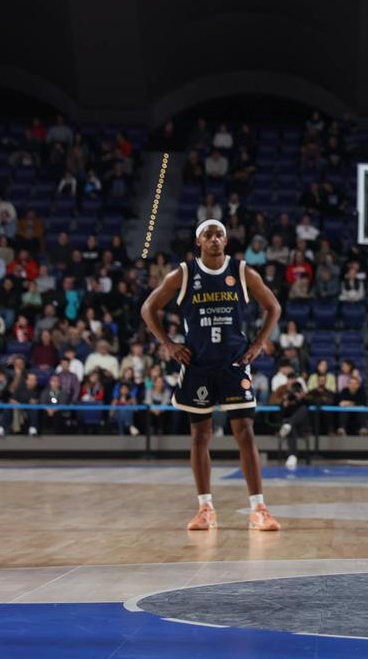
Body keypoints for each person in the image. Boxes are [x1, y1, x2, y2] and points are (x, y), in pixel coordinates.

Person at [141, 219, 282, 531]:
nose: (215, 239)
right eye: (209, 234)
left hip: (234, 363)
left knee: (245, 432)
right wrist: (168, 344)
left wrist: (259, 343)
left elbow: (273, 307)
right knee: (200, 435)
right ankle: (205, 508)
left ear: (226, 240)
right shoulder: (184, 274)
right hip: (198, 364)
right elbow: (148, 308)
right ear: (199, 241)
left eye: (219, 234)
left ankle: (259, 508)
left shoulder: (243, 272)